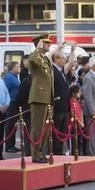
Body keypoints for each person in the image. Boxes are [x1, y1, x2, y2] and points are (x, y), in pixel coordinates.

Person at [29, 34, 54, 163]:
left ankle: (41, 152)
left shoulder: (45, 59)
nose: (49, 44)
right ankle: (36, 154)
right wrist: (38, 49)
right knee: (37, 128)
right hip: (38, 97)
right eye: (46, 42)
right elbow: (32, 60)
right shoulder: (35, 57)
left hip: (46, 97)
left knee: (45, 127)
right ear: (40, 43)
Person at [51, 45, 76, 155]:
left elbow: (70, 64)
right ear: (56, 59)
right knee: (56, 134)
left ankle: (60, 152)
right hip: (57, 107)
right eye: (62, 57)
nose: (64, 59)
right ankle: (56, 153)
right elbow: (49, 57)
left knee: (62, 133)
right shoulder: (52, 70)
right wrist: (58, 48)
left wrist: (72, 50)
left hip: (65, 107)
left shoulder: (61, 71)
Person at [3, 61, 21, 153]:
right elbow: (5, 90)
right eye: (17, 66)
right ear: (13, 68)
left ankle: (12, 144)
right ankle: (9, 146)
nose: (19, 68)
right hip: (11, 104)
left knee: (13, 125)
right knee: (10, 125)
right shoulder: (9, 78)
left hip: (15, 104)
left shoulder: (15, 77)